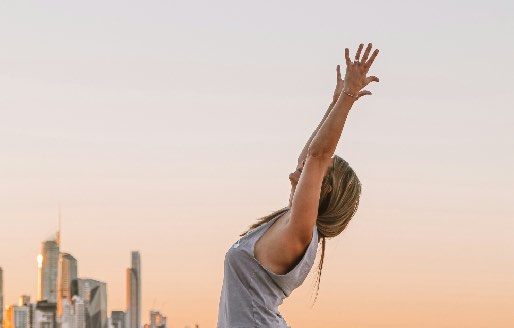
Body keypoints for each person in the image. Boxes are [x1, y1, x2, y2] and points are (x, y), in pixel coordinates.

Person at [217, 43, 380, 327]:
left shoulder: (302, 230)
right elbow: (311, 156)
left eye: (306, 173)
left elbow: (318, 156)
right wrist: (335, 102)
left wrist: (348, 98)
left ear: (321, 187)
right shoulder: (290, 221)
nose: (296, 173)